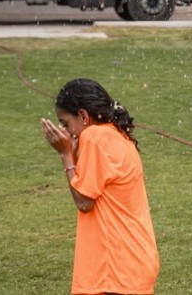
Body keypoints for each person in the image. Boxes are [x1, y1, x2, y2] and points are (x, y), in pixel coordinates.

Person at [39, 78, 160, 295]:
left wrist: (66, 154)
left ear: (83, 116)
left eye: (65, 124)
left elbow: (84, 202)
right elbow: (96, 183)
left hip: (114, 267)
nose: (66, 131)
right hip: (132, 261)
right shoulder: (116, 133)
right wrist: (74, 151)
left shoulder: (94, 137)